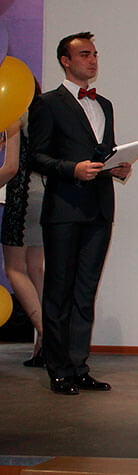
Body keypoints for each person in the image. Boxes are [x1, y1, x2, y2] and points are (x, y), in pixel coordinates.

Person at [29, 32, 131, 395]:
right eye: (84, 54)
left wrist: (118, 167)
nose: (92, 60)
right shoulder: (48, 103)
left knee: (86, 291)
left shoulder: (104, 104)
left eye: (95, 54)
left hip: (99, 208)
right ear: (65, 60)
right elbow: (36, 157)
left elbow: (105, 151)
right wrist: (71, 169)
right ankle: (58, 369)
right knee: (59, 290)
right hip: (64, 209)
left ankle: (78, 366)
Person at [1, 81, 46, 368]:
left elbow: (11, 167)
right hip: (45, 195)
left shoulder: (15, 114)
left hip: (23, 197)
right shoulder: (41, 114)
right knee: (35, 269)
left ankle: (47, 335)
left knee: (14, 268)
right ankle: (45, 343)